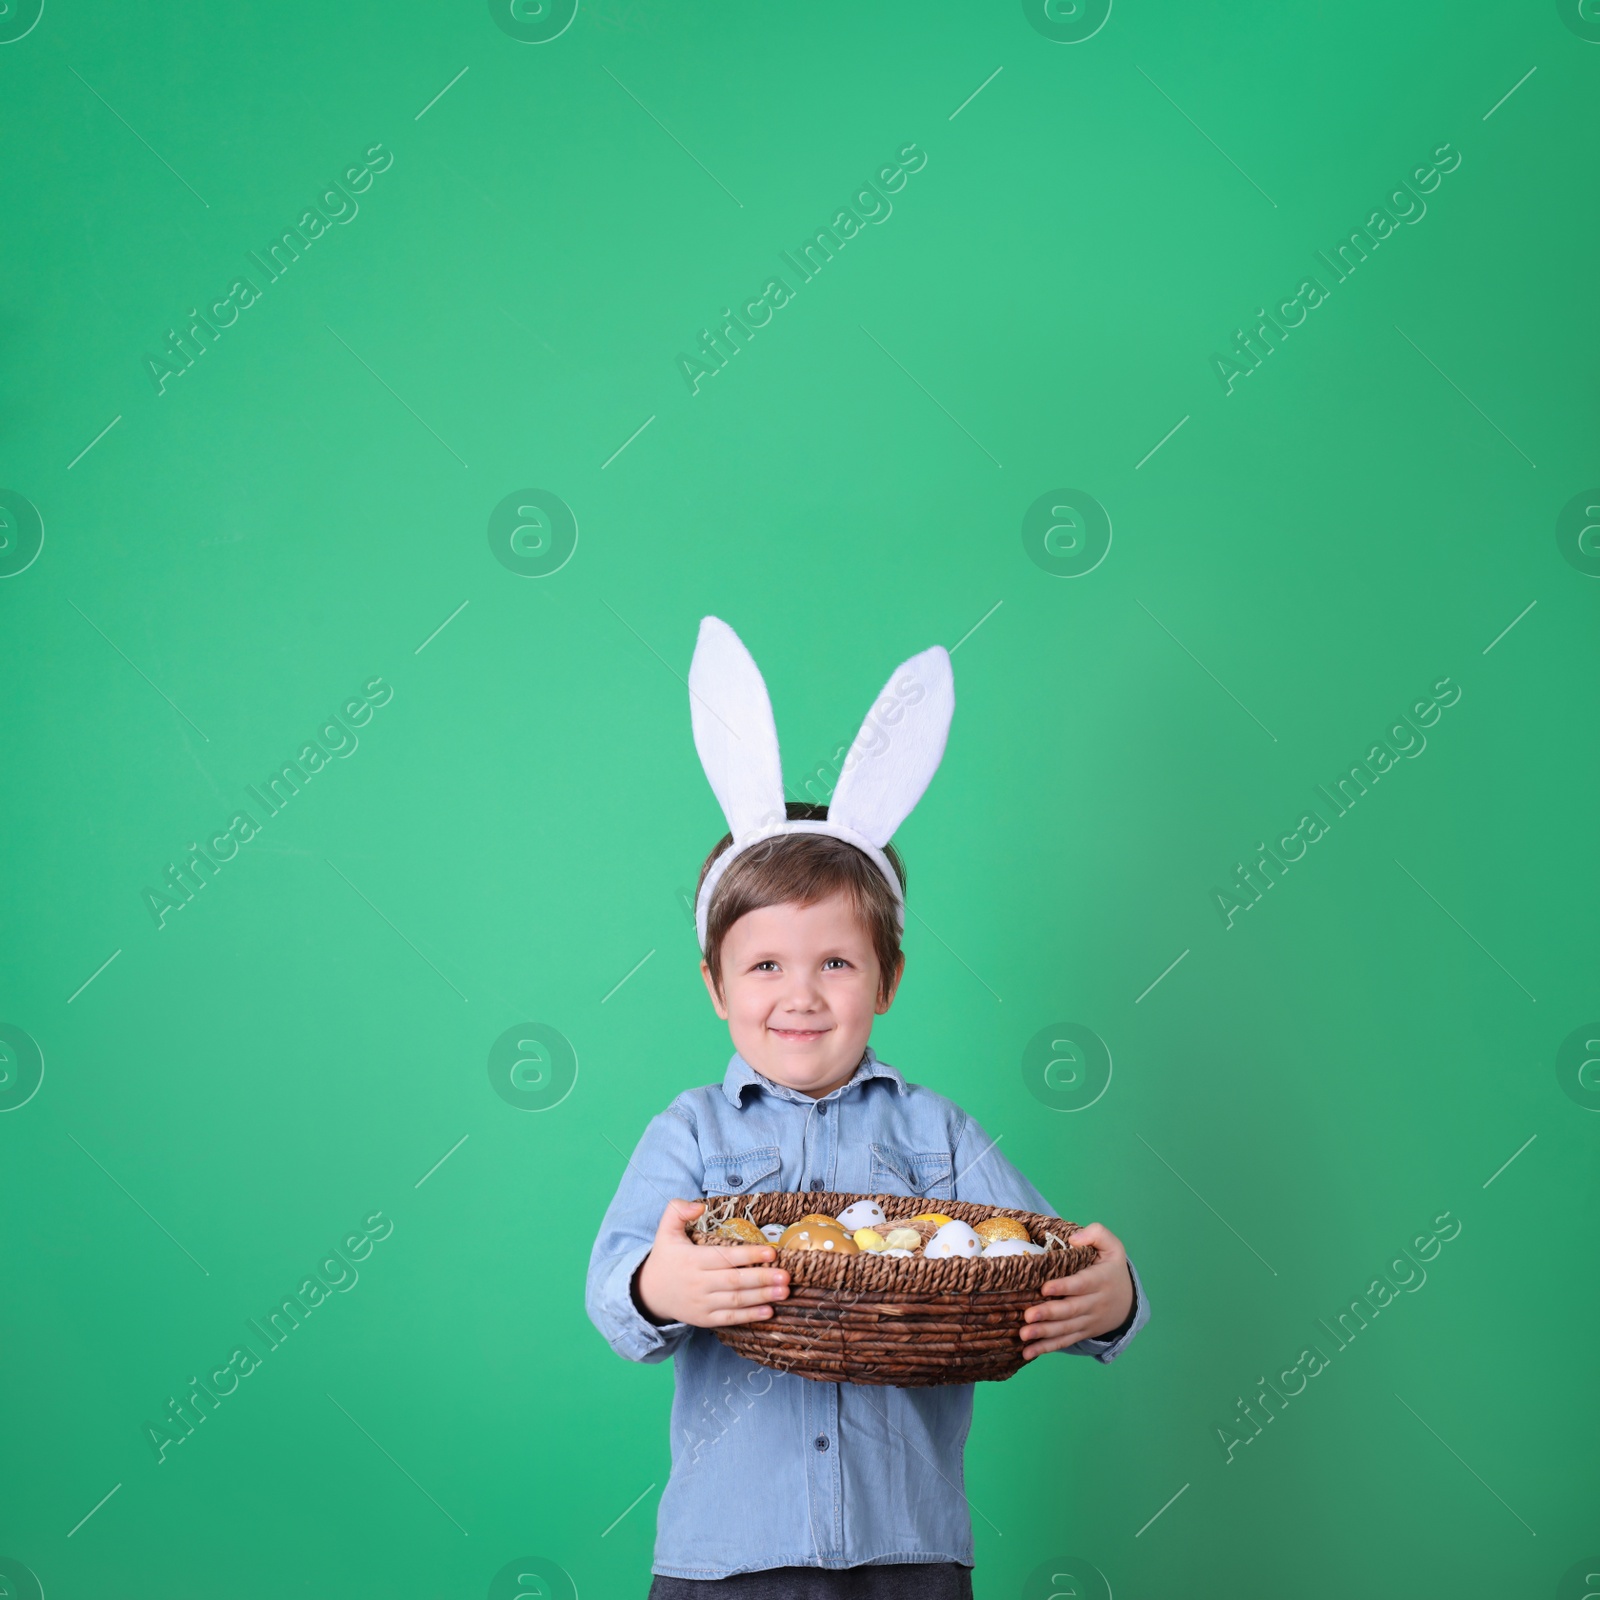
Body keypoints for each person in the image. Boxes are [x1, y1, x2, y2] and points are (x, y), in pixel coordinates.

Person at [586, 619, 1150, 1596]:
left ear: (885, 979)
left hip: (907, 1551)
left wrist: (1114, 1301)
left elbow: (1038, 1253)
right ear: (715, 986)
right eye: (764, 965)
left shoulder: (935, 1132)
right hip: (728, 1555)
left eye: (835, 963)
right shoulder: (689, 1133)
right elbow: (613, 1291)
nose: (799, 995)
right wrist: (659, 1287)